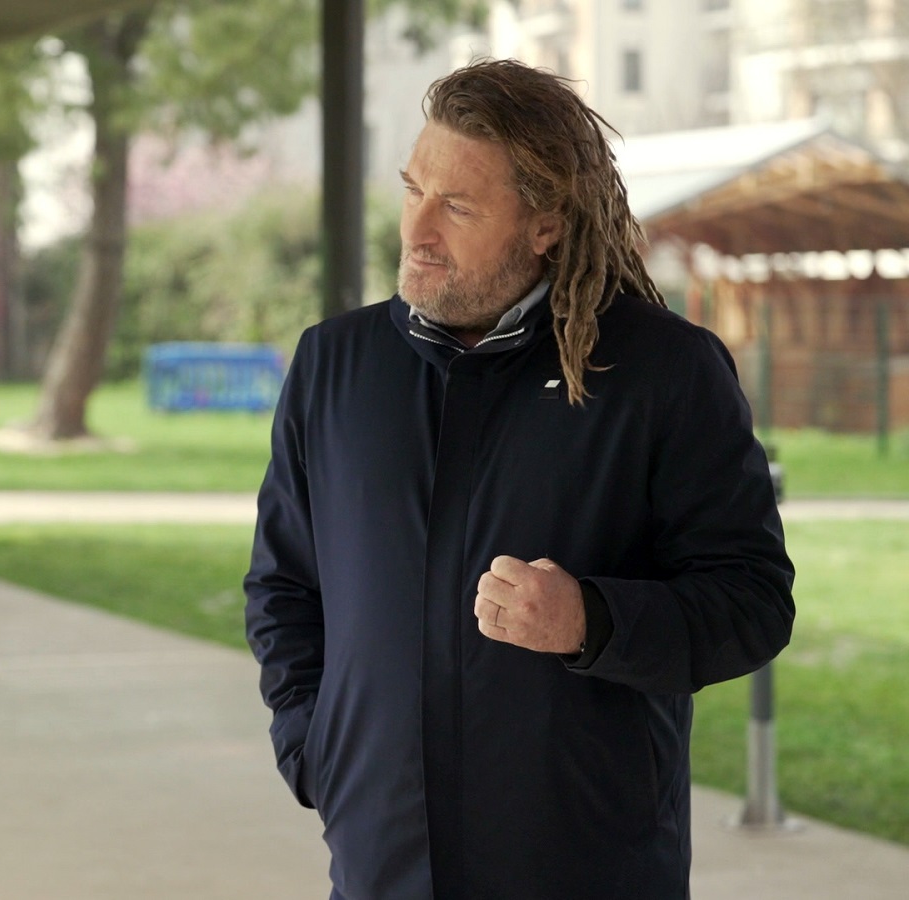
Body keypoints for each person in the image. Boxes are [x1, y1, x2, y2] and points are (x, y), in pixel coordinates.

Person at [244, 59, 795, 900]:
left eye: (457, 206)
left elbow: (753, 603)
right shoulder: (335, 365)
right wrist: (315, 750)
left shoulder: (664, 372)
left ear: (545, 223)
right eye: (413, 190)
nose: (418, 230)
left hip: (588, 865)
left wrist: (592, 619)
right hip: (382, 866)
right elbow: (284, 586)